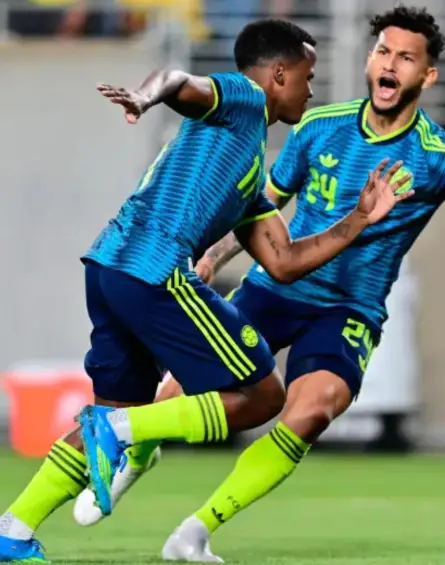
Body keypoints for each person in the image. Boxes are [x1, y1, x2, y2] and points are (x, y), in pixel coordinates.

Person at [73, 5, 445, 562]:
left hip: (348, 310)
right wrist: (213, 253)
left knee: (310, 411)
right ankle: (137, 450)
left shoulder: (438, 154)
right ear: (371, 62)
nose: (389, 64)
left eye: (405, 57)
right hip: (274, 289)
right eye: (383, 52)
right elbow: (263, 204)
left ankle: (196, 530)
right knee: (179, 387)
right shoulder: (319, 125)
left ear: (427, 75)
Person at [0, 18, 412, 564]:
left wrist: (358, 221)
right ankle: (119, 429)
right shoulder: (242, 99)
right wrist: (146, 97)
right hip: (153, 270)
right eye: (308, 77)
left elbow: (285, 262)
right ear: (279, 73)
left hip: (107, 268)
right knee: (263, 395)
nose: (311, 91)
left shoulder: (245, 163)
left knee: (119, 408)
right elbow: (176, 79)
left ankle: (14, 528)